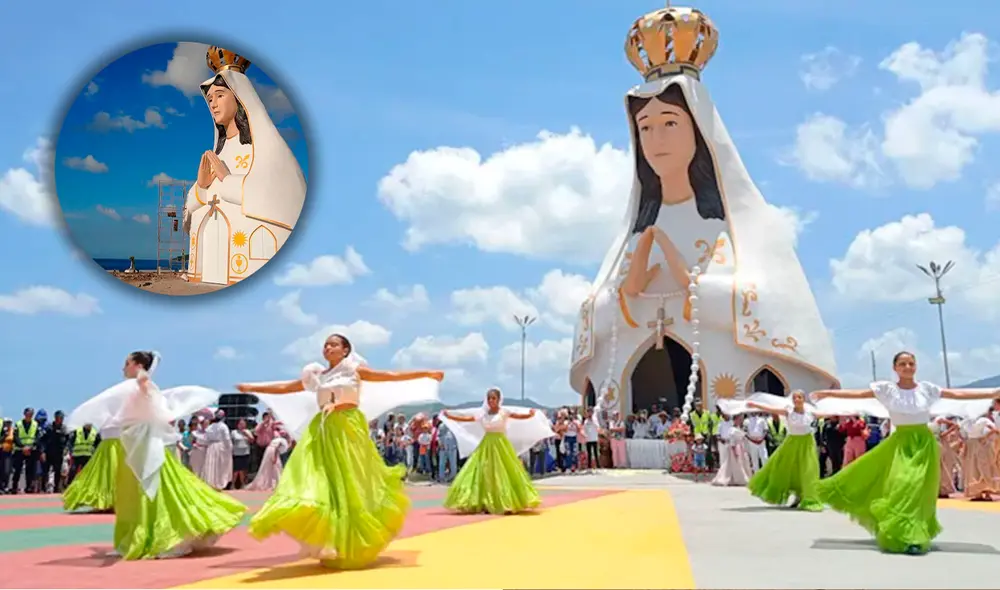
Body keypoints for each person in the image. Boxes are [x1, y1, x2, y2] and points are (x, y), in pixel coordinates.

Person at [238, 333, 443, 569]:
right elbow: (287, 387)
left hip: (347, 429)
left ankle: (349, 542)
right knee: (322, 482)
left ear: (345, 350)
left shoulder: (354, 369)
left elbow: (388, 377)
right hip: (323, 431)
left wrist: (426, 374)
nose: (328, 347)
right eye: (326, 344)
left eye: (334, 344)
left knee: (348, 484)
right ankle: (328, 541)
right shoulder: (318, 376)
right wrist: (251, 387)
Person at [811, 350, 1000, 555]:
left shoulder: (926, 389)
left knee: (917, 489)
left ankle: (914, 535)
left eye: (911, 363)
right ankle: (903, 531)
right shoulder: (887, 390)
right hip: (900, 443)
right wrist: (827, 393)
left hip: (923, 445)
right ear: (895, 368)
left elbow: (956, 394)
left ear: (915, 366)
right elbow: (857, 394)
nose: (907, 367)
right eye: (903, 364)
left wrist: (991, 394)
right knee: (903, 484)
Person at [66, 351, 246, 558]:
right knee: (137, 494)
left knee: (151, 491)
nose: (123, 368)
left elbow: (148, 404)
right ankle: (140, 535)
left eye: (127, 363)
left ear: (138, 365)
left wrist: (142, 378)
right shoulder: (136, 388)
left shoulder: (144, 385)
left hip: (145, 447)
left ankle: (158, 535)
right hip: (135, 446)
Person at [181, 46, 306, 285]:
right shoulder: (218, 151)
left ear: (238, 97)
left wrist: (227, 180)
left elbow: (285, 193)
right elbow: (190, 210)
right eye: (209, 99)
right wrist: (200, 188)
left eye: (219, 95)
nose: (213, 104)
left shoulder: (265, 147)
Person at [440, 388, 553, 514]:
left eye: (493, 398)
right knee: (483, 471)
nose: (491, 401)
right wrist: (450, 416)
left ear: (498, 399)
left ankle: (504, 501)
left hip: (500, 444)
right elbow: (467, 419)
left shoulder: (504, 412)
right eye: (489, 398)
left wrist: (529, 415)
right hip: (487, 443)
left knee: (502, 472)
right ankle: (483, 500)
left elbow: (518, 416)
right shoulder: (483, 414)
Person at [743, 392, 830, 511]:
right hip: (792, 443)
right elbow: (771, 409)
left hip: (807, 444)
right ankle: (796, 495)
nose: (796, 399)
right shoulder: (788, 411)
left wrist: (847, 410)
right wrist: (756, 404)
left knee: (807, 470)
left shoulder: (811, 413)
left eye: (799, 397)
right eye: (794, 398)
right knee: (786, 469)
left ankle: (807, 497)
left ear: (803, 399)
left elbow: (829, 413)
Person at [960, 412, 999, 501]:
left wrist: (985, 437)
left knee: (984, 469)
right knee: (973, 469)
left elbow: (995, 430)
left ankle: (987, 493)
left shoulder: (984, 420)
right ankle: (977, 494)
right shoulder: (967, 421)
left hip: (981, 445)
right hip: (971, 444)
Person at [711, 413, 751, 487]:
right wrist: (734, 449)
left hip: (740, 447)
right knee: (734, 463)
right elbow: (732, 440)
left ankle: (740, 477)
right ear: (735, 420)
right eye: (739, 419)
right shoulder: (732, 429)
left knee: (742, 462)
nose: (740, 421)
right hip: (734, 447)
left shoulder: (739, 428)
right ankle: (738, 478)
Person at [38, 411, 70, 493]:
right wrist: (42, 452)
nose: (62, 419)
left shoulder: (64, 429)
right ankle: (43, 488)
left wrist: (66, 449)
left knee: (58, 472)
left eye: (63, 418)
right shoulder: (49, 428)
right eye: (61, 417)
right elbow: (42, 441)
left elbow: (67, 441)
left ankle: (56, 489)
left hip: (59, 454)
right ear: (56, 418)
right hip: (48, 453)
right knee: (45, 471)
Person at [930, 416, 962, 497]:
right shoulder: (936, 425)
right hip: (936, 445)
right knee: (941, 468)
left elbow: (953, 426)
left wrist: (950, 427)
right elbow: (952, 425)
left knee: (940, 468)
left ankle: (941, 489)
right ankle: (941, 489)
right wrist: (951, 427)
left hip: (935, 445)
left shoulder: (935, 424)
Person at [230, 418, 254, 489]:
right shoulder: (234, 432)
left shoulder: (248, 431)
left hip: (245, 453)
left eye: (243, 424)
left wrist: (247, 435)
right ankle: (232, 485)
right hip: (236, 453)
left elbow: (252, 441)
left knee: (243, 470)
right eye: (241, 424)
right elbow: (231, 442)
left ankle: (243, 484)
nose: (242, 425)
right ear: (237, 425)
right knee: (236, 470)